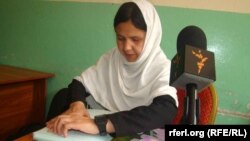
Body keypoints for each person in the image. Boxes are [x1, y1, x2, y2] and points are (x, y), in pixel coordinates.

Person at [46, 0, 178, 138]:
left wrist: (100, 125)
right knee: (62, 96)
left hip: (134, 132)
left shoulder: (163, 68)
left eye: (135, 39)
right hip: (102, 127)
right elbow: (79, 83)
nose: (126, 47)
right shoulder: (112, 58)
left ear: (151, 36)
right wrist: (77, 106)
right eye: (120, 38)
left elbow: (165, 111)